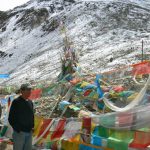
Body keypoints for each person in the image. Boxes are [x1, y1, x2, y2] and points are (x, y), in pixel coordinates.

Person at [8, 83, 34, 150]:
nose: (30, 91)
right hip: (20, 133)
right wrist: (18, 129)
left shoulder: (30, 102)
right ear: (22, 91)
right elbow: (11, 118)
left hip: (29, 132)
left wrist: (32, 126)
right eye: (27, 90)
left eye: (30, 90)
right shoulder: (16, 102)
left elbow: (31, 115)